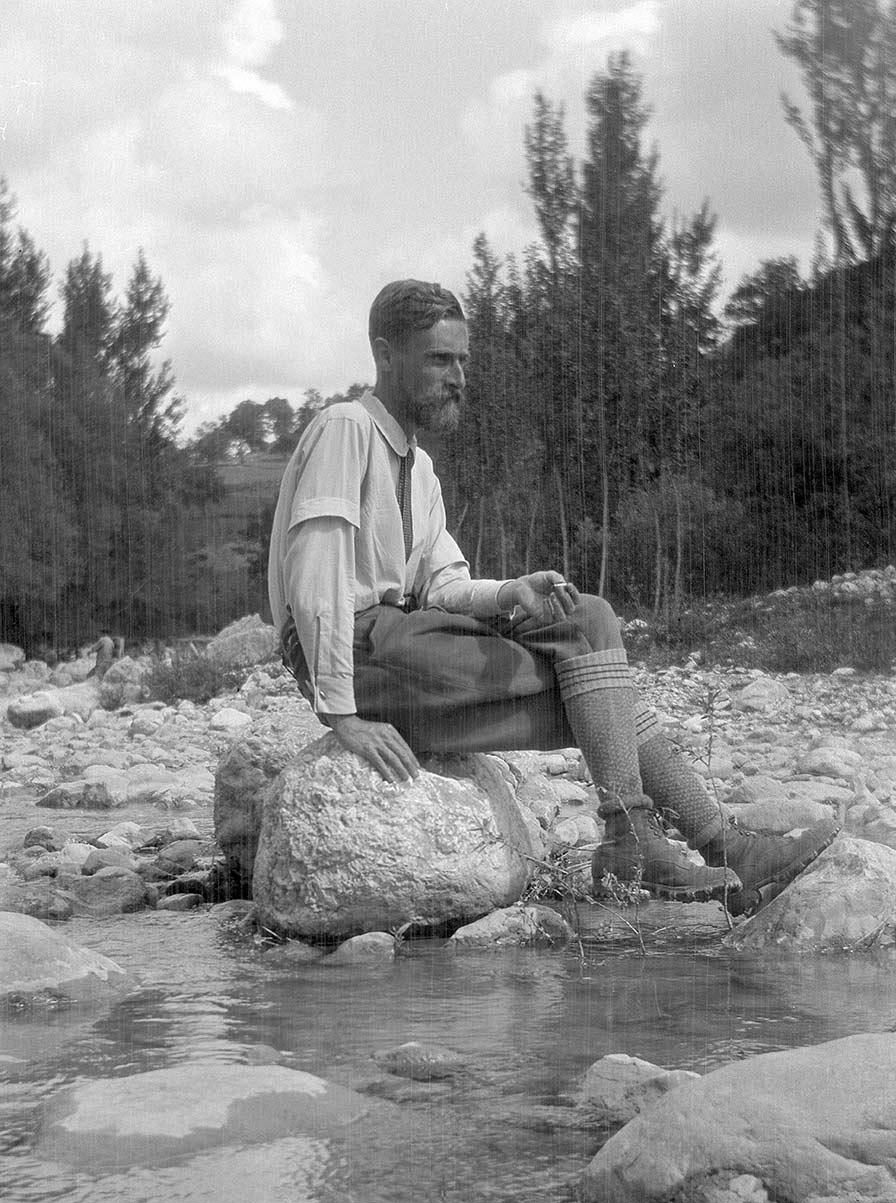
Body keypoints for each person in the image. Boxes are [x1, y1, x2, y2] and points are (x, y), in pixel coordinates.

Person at [268, 279, 836, 910]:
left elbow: (443, 584)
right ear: (385, 354)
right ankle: (667, 848)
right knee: (597, 692)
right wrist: (341, 715)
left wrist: (513, 591)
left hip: (406, 653)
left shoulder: (418, 467)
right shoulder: (346, 429)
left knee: (590, 632)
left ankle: (692, 846)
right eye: (439, 359)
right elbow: (316, 577)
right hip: (357, 647)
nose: (458, 377)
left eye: (462, 360)